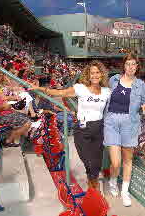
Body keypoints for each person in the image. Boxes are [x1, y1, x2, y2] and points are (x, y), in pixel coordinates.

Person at [29, 60, 111, 191]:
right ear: (88, 75)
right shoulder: (80, 88)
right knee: (88, 162)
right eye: (92, 73)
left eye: (97, 72)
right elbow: (60, 93)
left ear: (102, 74)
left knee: (96, 164)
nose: (95, 75)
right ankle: (93, 185)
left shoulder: (107, 91)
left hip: (99, 129)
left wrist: (142, 103)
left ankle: (93, 189)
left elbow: (119, 103)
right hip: (83, 130)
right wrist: (39, 88)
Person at [103, 53, 145, 207]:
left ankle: (125, 192)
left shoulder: (141, 85)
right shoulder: (113, 80)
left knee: (128, 160)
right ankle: (113, 180)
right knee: (116, 162)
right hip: (111, 122)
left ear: (137, 67)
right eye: (128, 64)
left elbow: (144, 102)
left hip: (130, 124)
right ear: (124, 65)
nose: (131, 67)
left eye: (134, 64)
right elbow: (103, 96)